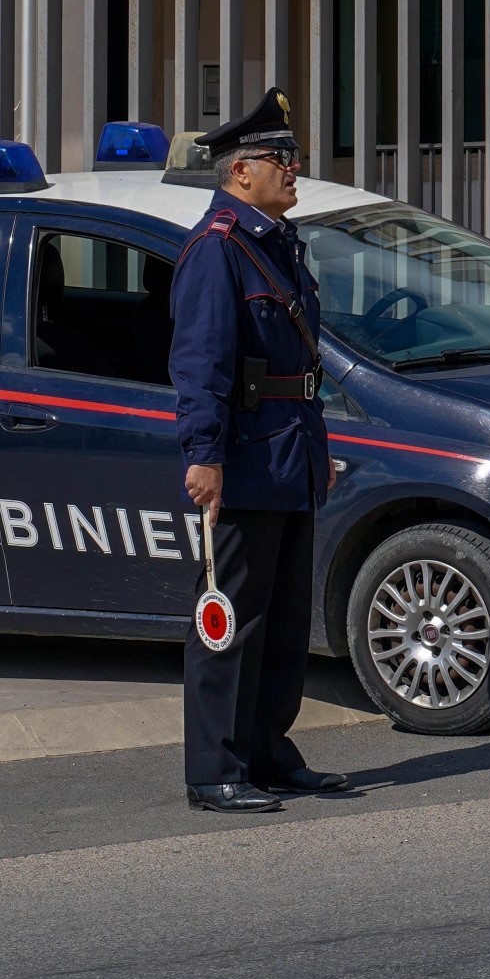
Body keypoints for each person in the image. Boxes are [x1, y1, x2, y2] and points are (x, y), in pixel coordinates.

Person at [169, 86, 354, 813]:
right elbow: (202, 361)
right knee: (229, 621)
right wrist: (204, 454)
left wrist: (319, 445)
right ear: (240, 170)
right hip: (243, 459)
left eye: (292, 156)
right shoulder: (218, 249)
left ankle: (268, 751)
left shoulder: (274, 244)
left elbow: (295, 368)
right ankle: (214, 766)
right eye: (281, 157)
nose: (294, 167)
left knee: (280, 624)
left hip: (289, 454)